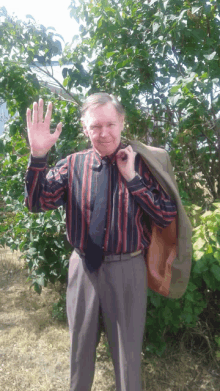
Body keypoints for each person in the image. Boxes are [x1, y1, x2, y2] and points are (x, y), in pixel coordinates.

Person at [25, 93, 190, 391]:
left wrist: (133, 180)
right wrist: (38, 156)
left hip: (128, 269)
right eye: (96, 126)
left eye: (110, 124)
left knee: (128, 356)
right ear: (85, 128)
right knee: (80, 352)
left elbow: (167, 216)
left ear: (122, 122)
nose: (104, 133)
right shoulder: (72, 164)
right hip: (82, 268)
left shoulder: (144, 164)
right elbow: (37, 202)